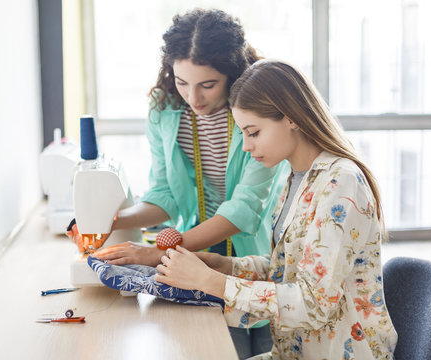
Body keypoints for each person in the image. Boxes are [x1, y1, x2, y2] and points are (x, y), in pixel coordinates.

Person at [67, 9, 288, 359]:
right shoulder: (164, 111)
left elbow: (245, 209)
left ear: (234, 73)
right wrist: (108, 220)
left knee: (255, 347)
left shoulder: (257, 116)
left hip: (251, 257)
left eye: (208, 85)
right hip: (193, 258)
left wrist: (160, 252)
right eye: (182, 82)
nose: (193, 98)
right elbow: (164, 194)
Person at [154, 59, 398, 359]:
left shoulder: (341, 183)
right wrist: (223, 265)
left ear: (292, 117)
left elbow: (313, 304)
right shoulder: (296, 177)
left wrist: (211, 283)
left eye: (253, 132)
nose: (245, 146)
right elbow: (287, 271)